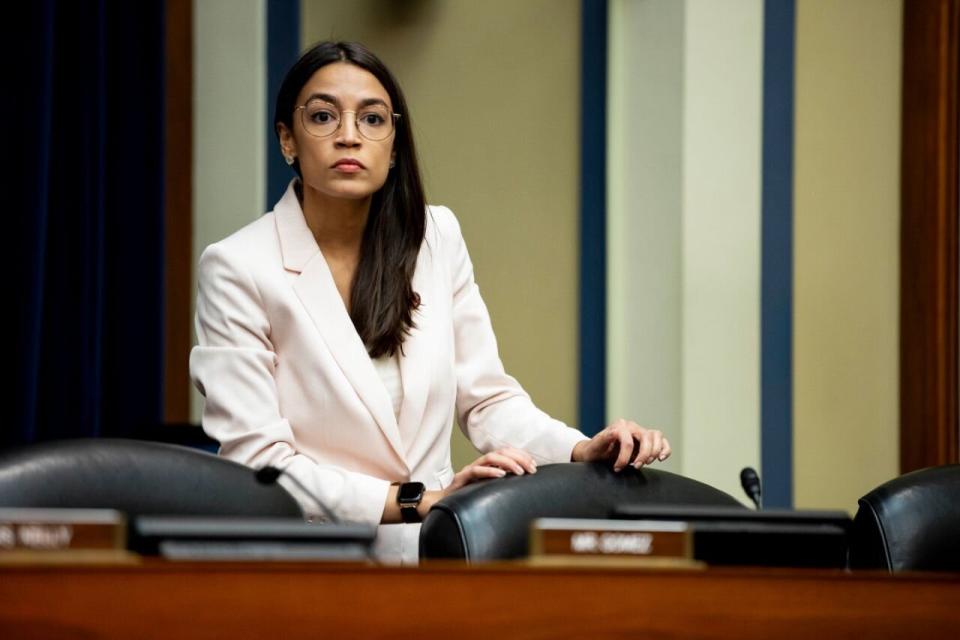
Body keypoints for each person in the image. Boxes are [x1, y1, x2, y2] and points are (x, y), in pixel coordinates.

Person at [189, 41, 671, 565]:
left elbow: (485, 399)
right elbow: (260, 463)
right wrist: (417, 501)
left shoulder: (435, 236)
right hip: (313, 563)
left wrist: (581, 450)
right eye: (324, 116)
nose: (349, 136)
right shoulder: (238, 266)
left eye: (372, 119)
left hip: (434, 561)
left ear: (393, 146)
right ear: (287, 139)